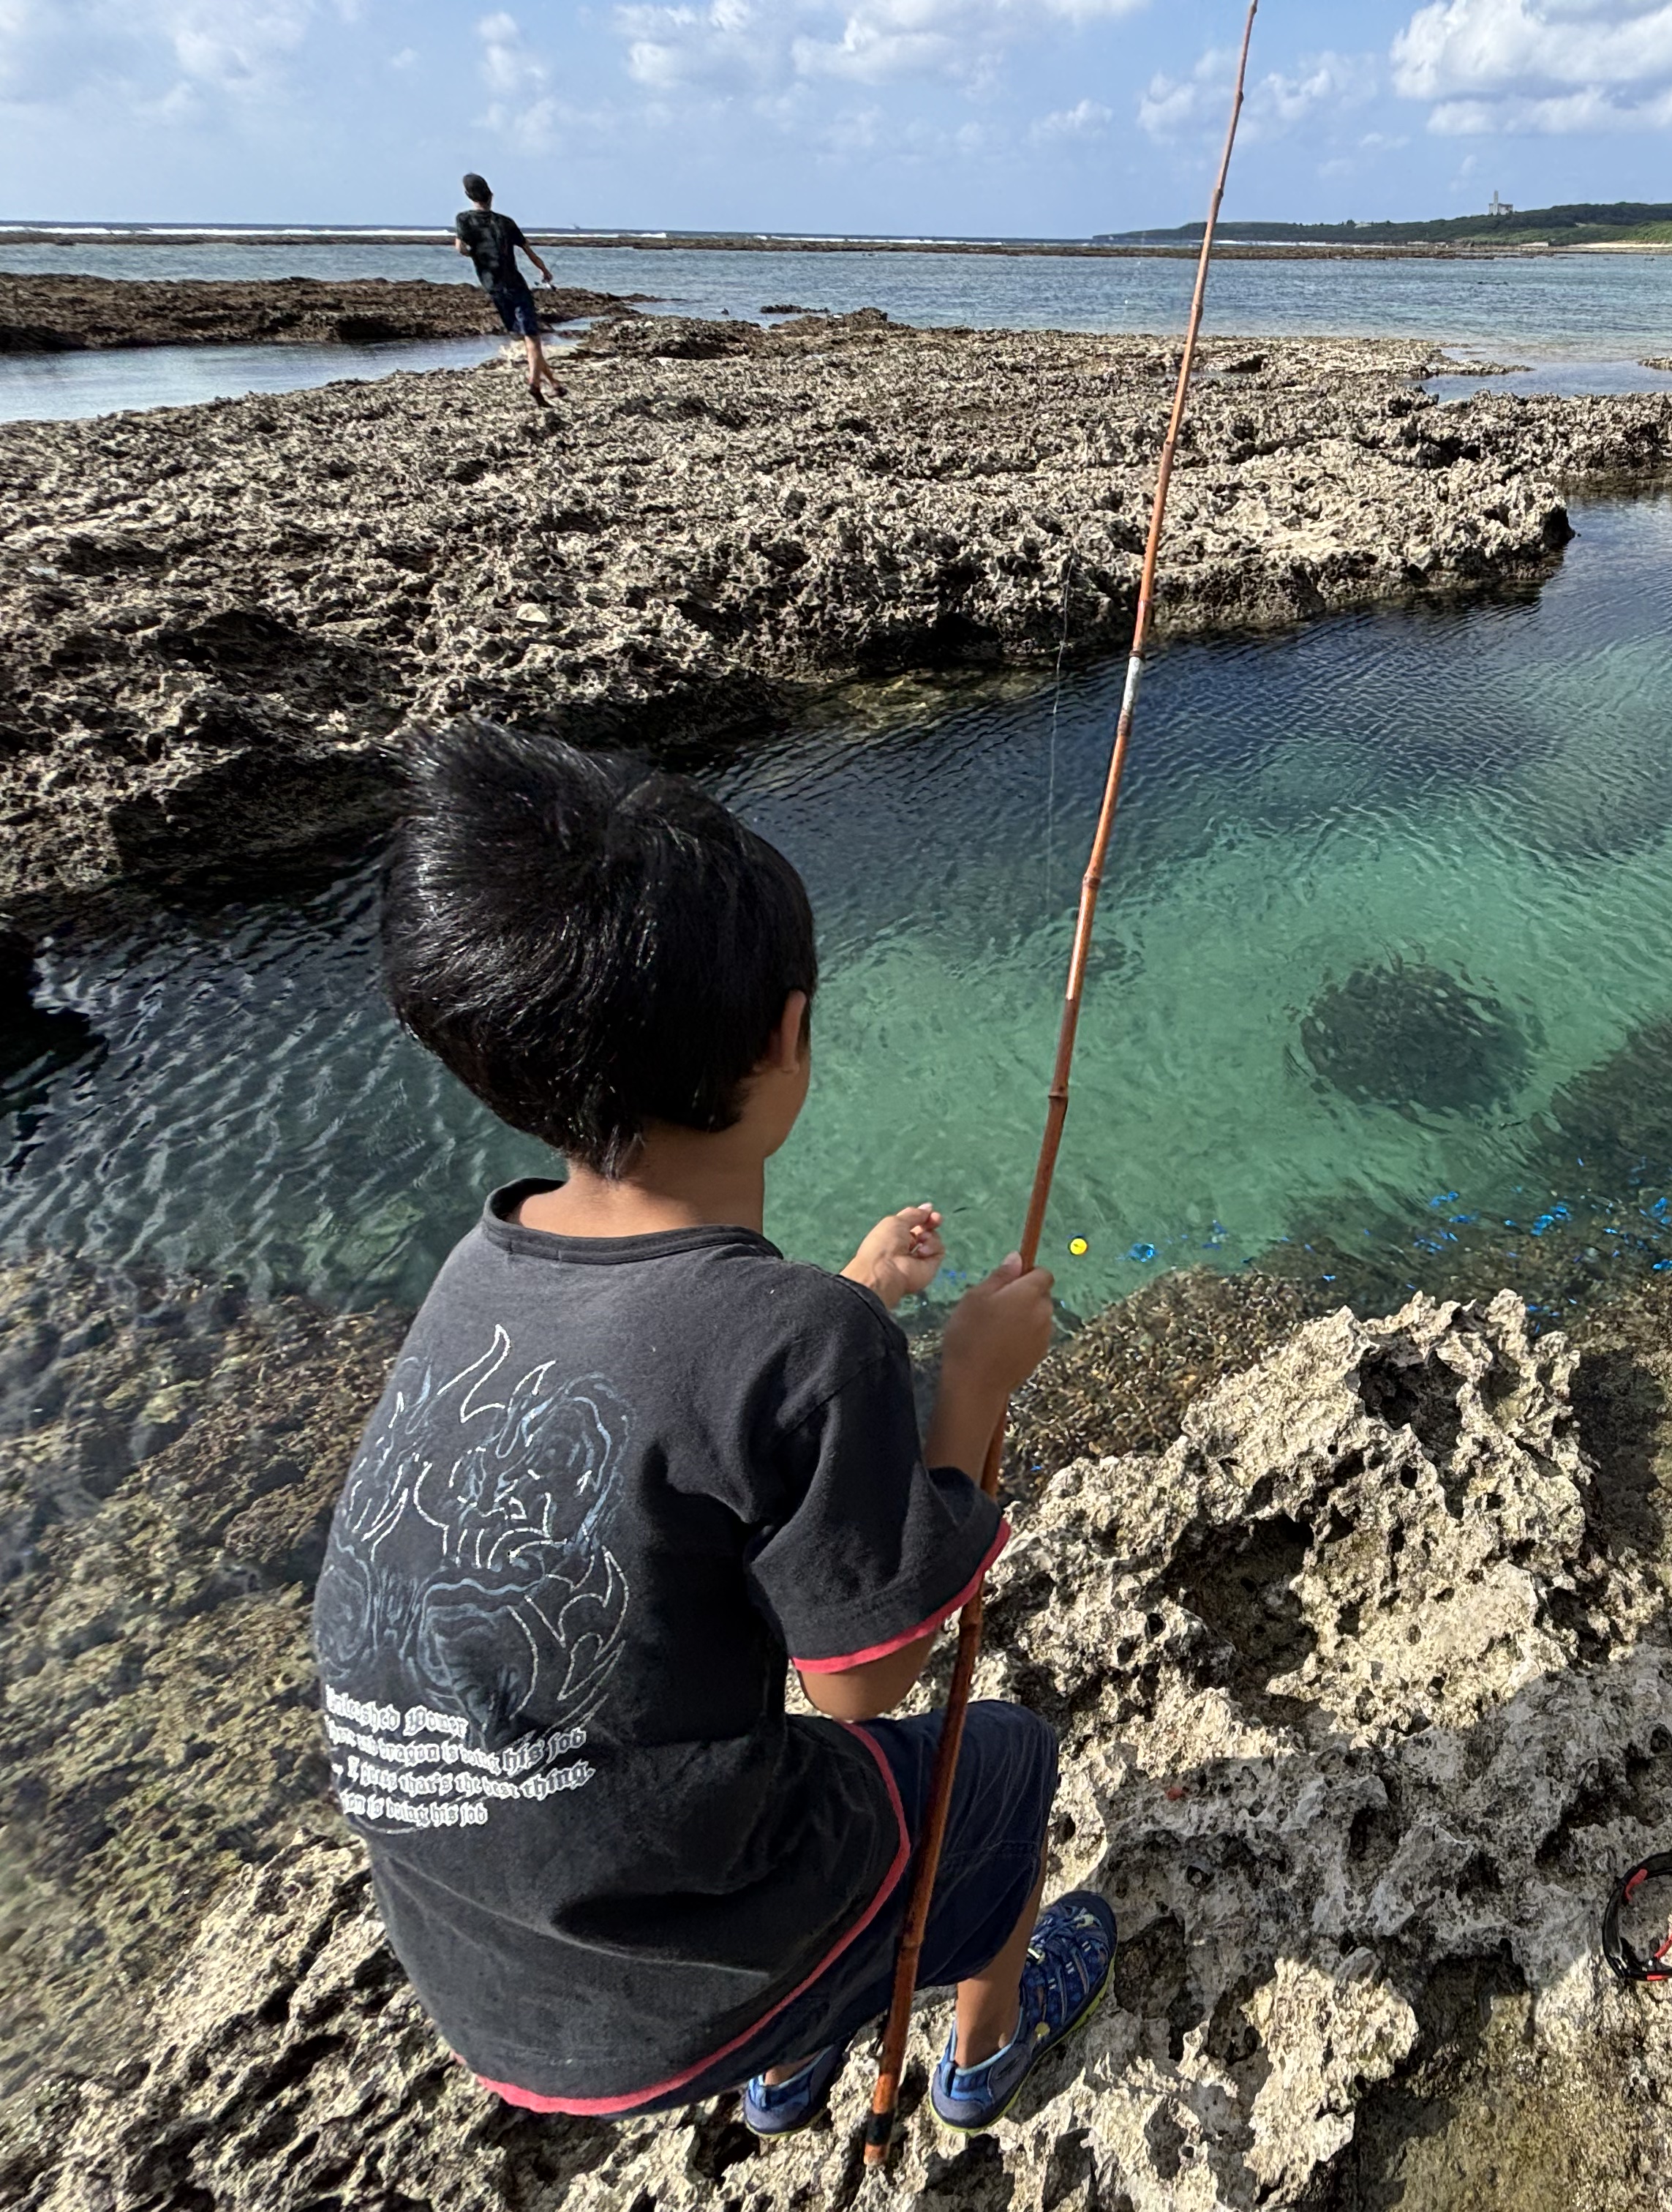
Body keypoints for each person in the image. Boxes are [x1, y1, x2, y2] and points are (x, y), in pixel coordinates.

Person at [312, 721, 1114, 2143]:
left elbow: (678, 1404)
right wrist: (972, 1387)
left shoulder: (480, 1270)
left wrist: (858, 1296)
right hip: (670, 1993)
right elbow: (862, 1682)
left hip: (486, 1979)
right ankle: (984, 2052)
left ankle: (788, 2069)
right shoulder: (804, 1340)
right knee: (1002, 1762)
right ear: (791, 1034)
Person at [453, 173, 565, 403]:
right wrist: (544, 271)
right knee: (532, 338)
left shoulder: (463, 219)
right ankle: (534, 383)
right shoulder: (506, 222)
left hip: (493, 287)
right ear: (491, 195)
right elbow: (529, 252)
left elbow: (461, 249)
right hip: (515, 284)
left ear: (468, 196)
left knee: (527, 338)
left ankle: (555, 384)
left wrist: (477, 253)